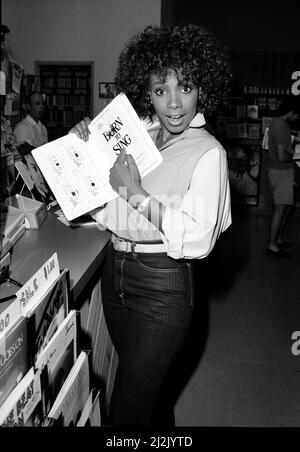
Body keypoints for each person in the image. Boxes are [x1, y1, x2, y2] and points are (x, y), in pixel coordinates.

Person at [70, 24, 232, 427]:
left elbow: (198, 238)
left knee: (126, 410)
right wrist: (83, 151)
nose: (174, 105)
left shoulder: (209, 153)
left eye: (186, 88)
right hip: (116, 273)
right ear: (147, 94)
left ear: (203, 90)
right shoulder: (140, 137)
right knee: (149, 395)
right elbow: (107, 210)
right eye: (161, 91)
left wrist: (137, 193)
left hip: (165, 285)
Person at [266, 94, 300, 257]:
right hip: (281, 172)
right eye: (297, 114)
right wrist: (297, 156)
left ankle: (277, 239)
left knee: (284, 208)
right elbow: (281, 156)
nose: (297, 117)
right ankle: (272, 246)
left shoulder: (277, 122)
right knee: (280, 210)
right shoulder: (282, 126)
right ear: (291, 112)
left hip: (276, 171)